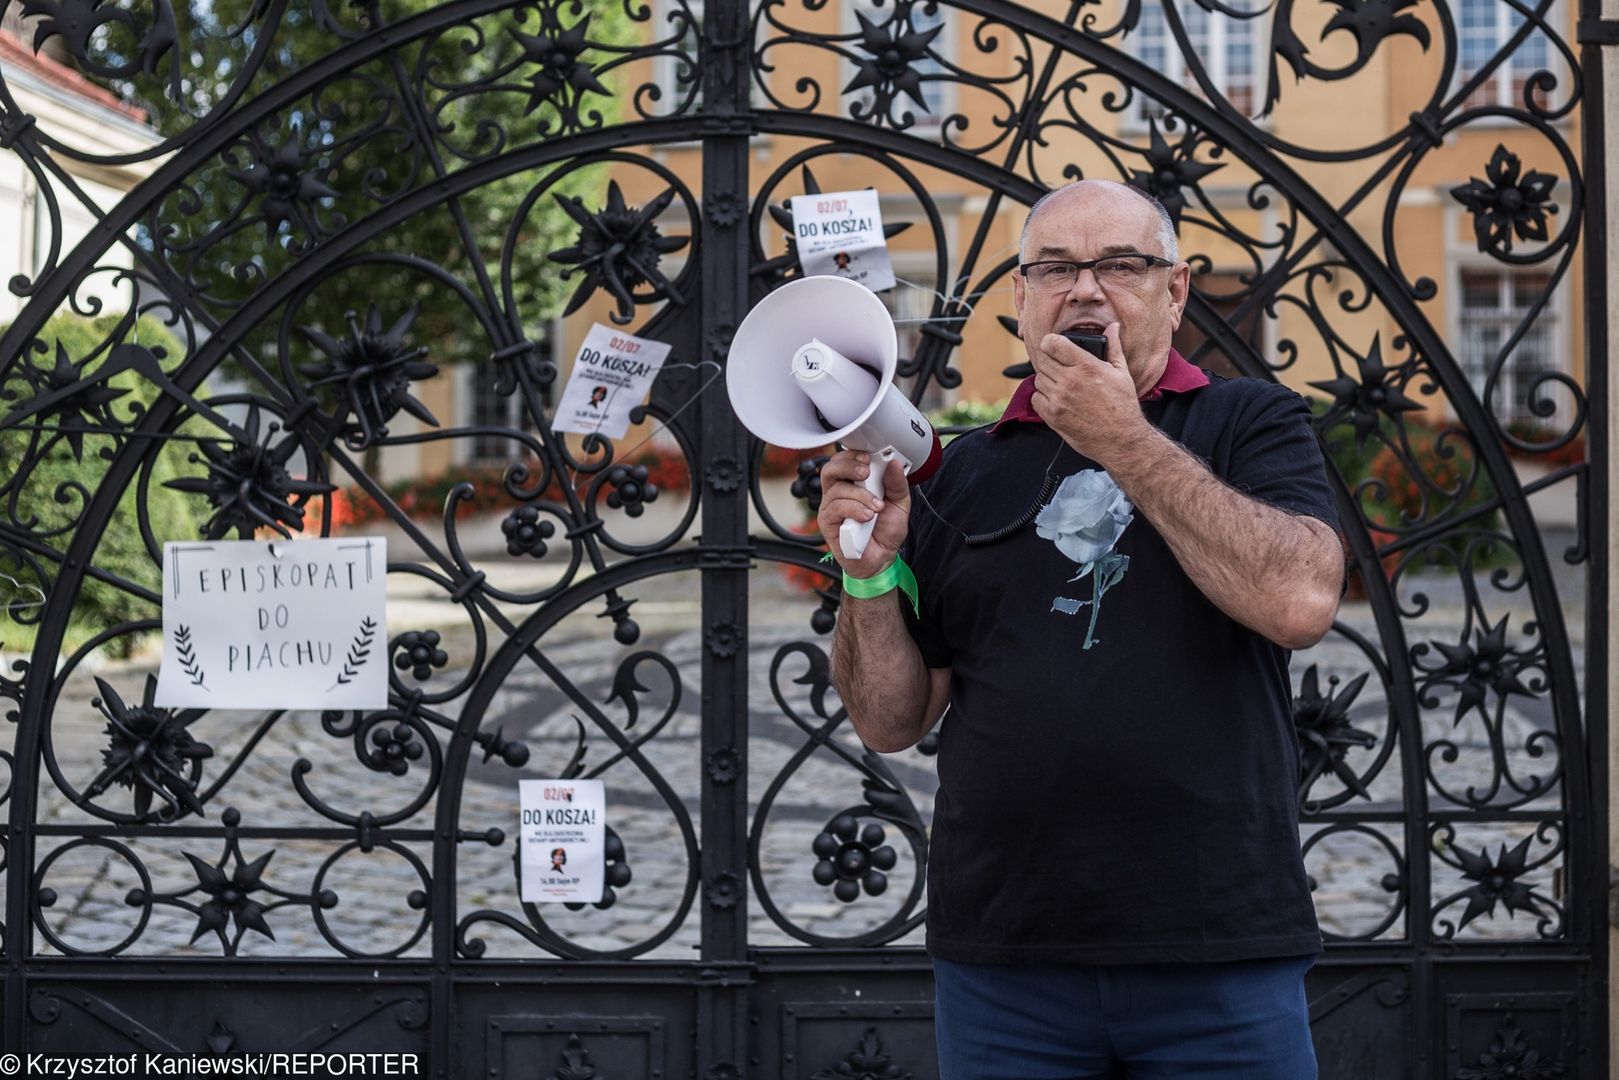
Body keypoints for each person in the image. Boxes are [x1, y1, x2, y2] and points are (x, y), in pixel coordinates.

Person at [817, 179, 1345, 1079]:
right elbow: (888, 719)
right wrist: (866, 574)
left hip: (1216, 951)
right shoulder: (960, 472)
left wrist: (1121, 437)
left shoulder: (1249, 421)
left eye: (1119, 265)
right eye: (1055, 267)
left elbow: (1297, 601)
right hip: (1007, 961)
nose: (1085, 288)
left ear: (1173, 292)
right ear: (1020, 300)